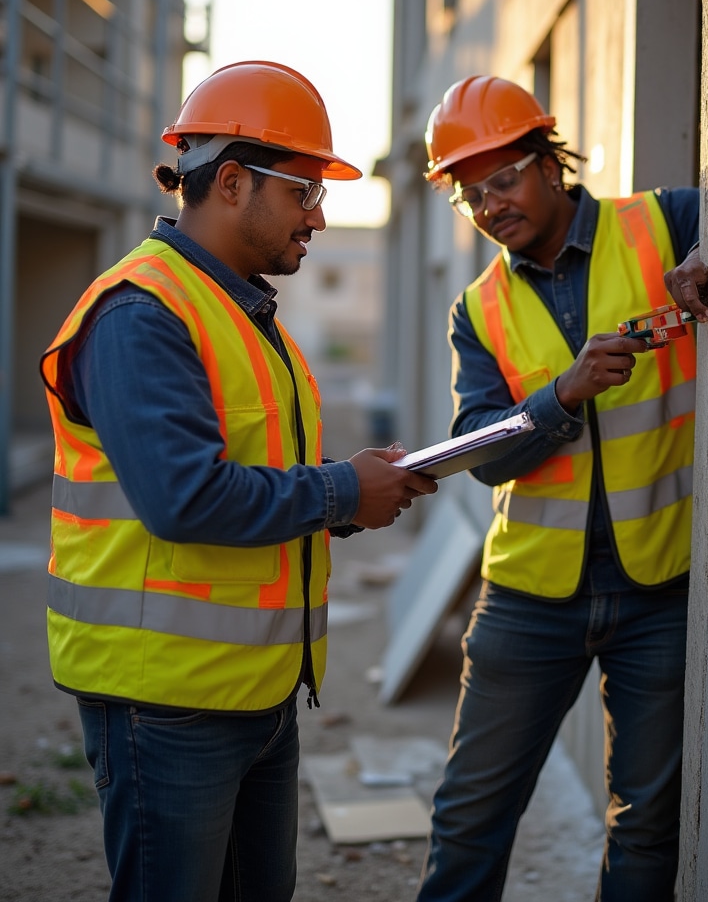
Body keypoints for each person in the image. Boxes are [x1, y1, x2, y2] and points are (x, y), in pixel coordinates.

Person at [38, 60, 438, 902]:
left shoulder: (243, 312)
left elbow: (258, 473)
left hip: (256, 694)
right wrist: (341, 491)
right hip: (164, 703)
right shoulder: (142, 314)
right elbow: (184, 498)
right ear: (229, 183)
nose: (319, 216)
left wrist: (358, 493)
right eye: (303, 191)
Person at [415, 75, 708, 901]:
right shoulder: (477, 310)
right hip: (528, 597)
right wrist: (561, 397)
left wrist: (707, 255)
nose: (490, 206)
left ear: (550, 164)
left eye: (503, 180)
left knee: (647, 821)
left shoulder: (665, 222)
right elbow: (483, 452)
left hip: (660, 590)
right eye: (471, 195)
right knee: (470, 816)